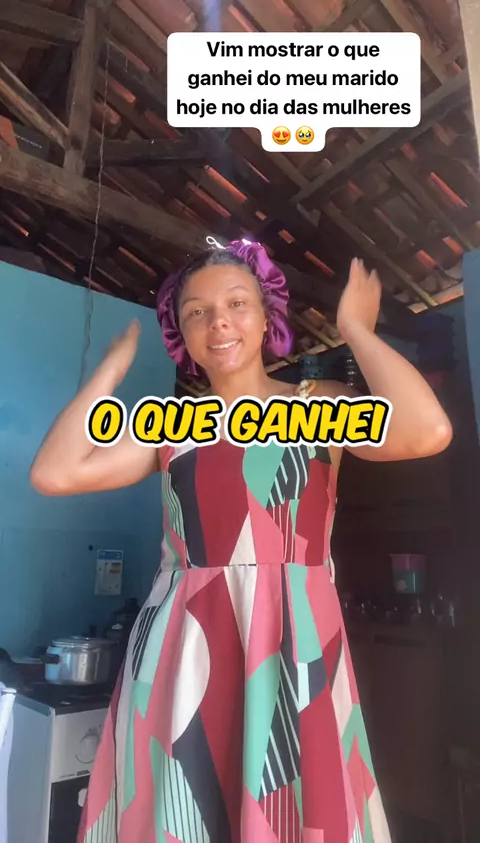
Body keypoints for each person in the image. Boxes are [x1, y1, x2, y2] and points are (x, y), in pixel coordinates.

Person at [30, 239, 452, 843]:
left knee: (292, 805)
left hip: (295, 639)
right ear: (180, 333)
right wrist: (113, 368)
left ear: (267, 315)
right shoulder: (171, 426)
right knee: (185, 807)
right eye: (196, 312)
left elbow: (426, 430)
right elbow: (54, 473)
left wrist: (356, 330)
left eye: (236, 303)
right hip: (184, 646)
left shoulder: (317, 405)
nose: (219, 322)